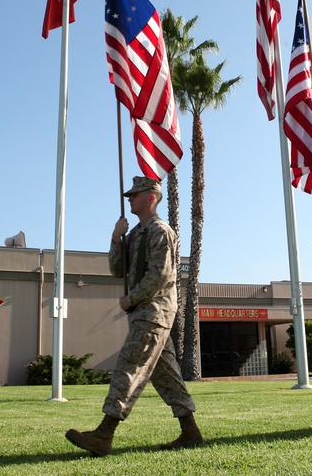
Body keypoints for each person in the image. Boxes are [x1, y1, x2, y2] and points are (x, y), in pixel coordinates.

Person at [66, 177, 202, 457]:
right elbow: (118, 270)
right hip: (145, 312)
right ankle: (191, 433)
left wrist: (131, 298)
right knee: (167, 377)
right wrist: (116, 238)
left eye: (135, 194)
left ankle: (104, 433)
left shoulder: (160, 230)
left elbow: (161, 275)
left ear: (151, 197)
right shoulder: (136, 234)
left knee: (130, 366)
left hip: (154, 310)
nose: (129, 199)